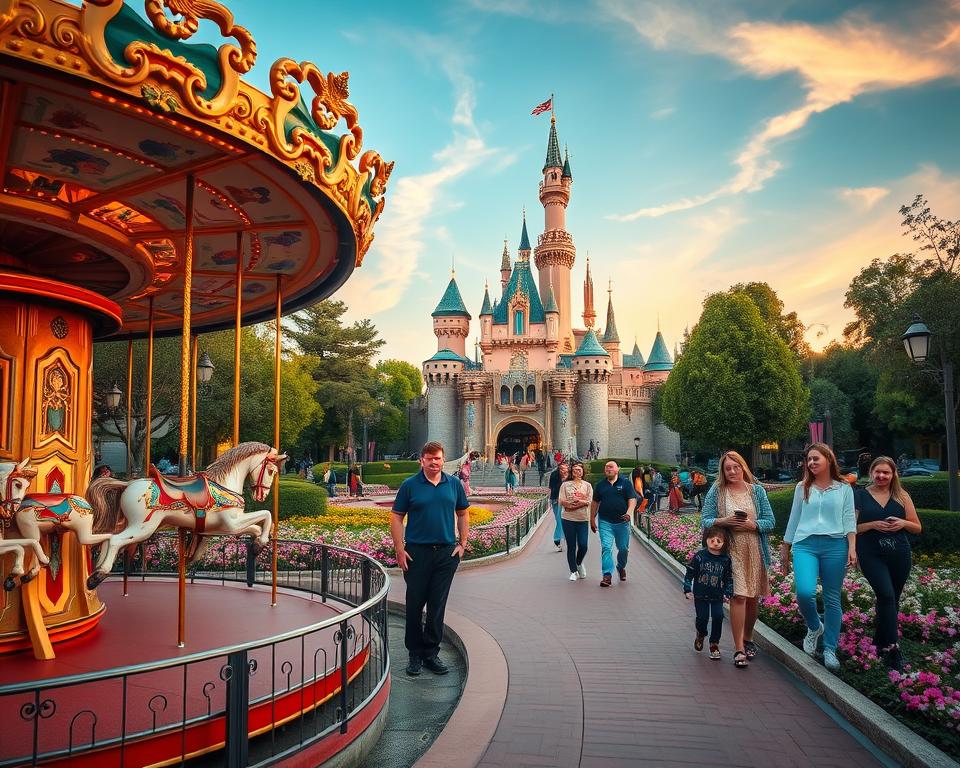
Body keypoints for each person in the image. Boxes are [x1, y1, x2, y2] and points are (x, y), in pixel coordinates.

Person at [390, 441, 469, 677]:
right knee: (414, 604)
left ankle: (431, 653)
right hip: (416, 553)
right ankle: (415, 653)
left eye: (438, 458)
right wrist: (399, 548)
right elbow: (396, 517)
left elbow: (463, 513)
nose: (434, 462)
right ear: (421, 461)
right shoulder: (410, 485)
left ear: (443, 460)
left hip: (445, 554)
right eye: (430, 458)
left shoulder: (453, 484)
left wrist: (463, 543)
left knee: (437, 605)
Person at [780, 442, 856, 672]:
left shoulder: (844, 488)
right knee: (805, 592)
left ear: (828, 459)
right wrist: (785, 547)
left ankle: (830, 648)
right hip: (805, 545)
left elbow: (849, 519)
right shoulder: (802, 487)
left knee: (832, 598)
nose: (811, 463)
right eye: (809, 459)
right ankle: (815, 627)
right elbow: (794, 518)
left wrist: (852, 547)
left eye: (816, 458)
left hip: (836, 545)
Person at [701, 450, 776, 669]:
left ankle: (748, 637)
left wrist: (753, 525)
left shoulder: (757, 491)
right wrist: (724, 521)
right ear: (723, 471)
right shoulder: (717, 491)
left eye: (736, 467)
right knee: (739, 596)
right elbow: (705, 520)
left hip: (754, 550)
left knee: (752, 599)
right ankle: (739, 648)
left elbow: (770, 521)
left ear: (743, 467)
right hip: (730, 552)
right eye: (728, 468)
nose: (733, 471)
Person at [855, 456, 921, 671]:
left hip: (899, 554)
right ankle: (893, 648)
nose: (881, 476)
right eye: (878, 471)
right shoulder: (860, 496)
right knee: (886, 594)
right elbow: (851, 528)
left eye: (886, 472)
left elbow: (917, 527)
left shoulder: (902, 496)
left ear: (893, 475)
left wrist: (903, 523)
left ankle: (879, 642)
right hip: (871, 554)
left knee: (892, 599)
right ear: (871, 472)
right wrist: (872, 524)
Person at [684, 526, 734, 660]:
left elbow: (729, 577)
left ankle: (714, 644)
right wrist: (687, 589)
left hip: (717, 595)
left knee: (718, 617)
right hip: (700, 595)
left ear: (724, 542)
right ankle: (701, 633)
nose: (715, 543)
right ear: (706, 539)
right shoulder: (700, 556)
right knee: (702, 618)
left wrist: (728, 591)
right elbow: (690, 572)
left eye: (719, 541)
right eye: (712, 540)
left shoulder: (725, 559)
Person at [591, 460, 637, 587]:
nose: (608, 469)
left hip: (622, 522)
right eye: (606, 467)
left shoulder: (625, 483)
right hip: (605, 522)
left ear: (617, 469)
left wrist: (629, 513)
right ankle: (607, 575)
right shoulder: (600, 485)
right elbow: (595, 502)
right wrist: (592, 519)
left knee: (623, 549)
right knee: (606, 548)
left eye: (611, 467)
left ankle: (621, 567)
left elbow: (632, 500)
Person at [560, 461, 592, 580]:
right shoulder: (565, 485)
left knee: (583, 545)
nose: (577, 472)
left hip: (583, 519)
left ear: (583, 472)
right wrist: (574, 504)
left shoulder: (587, 485)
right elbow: (562, 501)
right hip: (568, 519)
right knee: (571, 546)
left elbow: (589, 501)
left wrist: (575, 505)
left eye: (579, 470)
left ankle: (578, 563)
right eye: (574, 470)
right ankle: (573, 571)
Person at [547, 462, 569, 552]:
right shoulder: (555, 476)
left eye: (566, 468)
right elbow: (552, 488)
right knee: (559, 520)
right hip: (557, 501)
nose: (564, 470)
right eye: (562, 469)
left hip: (568, 502)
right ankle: (558, 539)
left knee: (565, 520)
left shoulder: (570, 476)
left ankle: (562, 538)